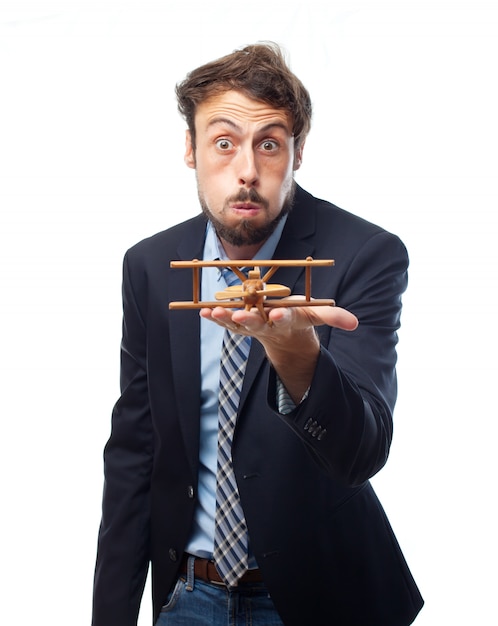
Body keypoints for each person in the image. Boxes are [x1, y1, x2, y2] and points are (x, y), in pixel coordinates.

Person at [92, 43, 424, 626]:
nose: (247, 169)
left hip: (319, 598)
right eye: (224, 142)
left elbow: (362, 452)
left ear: (298, 153)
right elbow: (136, 452)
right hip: (186, 595)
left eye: (269, 143)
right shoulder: (148, 265)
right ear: (191, 150)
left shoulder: (364, 255)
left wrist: (298, 360)